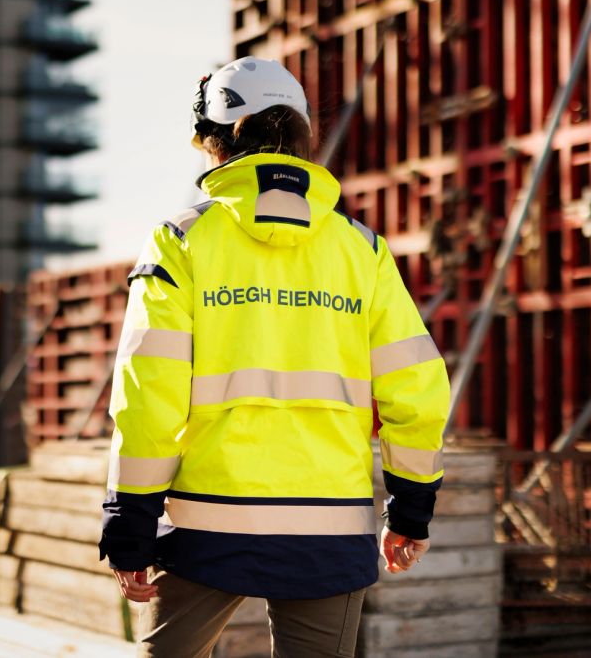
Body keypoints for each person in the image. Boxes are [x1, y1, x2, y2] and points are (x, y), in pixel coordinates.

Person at [98, 57, 451, 657]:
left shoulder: (181, 239)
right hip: (330, 529)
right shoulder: (361, 250)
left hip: (205, 526)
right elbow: (416, 390)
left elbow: (148, 393)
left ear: (214, 140)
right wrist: (410, 511)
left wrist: (131, 522)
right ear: (302, 135)